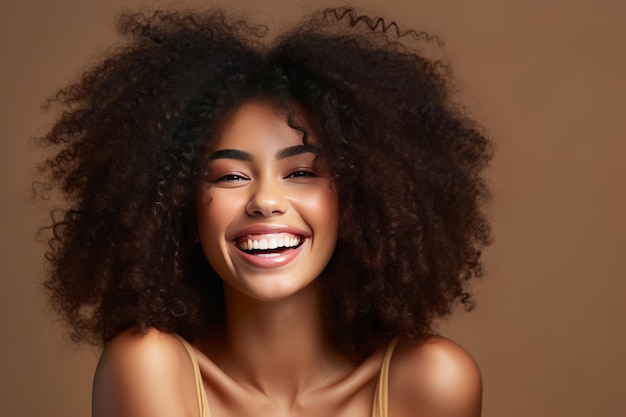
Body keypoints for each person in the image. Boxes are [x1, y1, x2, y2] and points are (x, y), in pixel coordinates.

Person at [38, 6, 492, 417]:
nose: (265, 201)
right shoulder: (146, 367)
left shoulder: (431, 381)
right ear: (180, 212)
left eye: (300, 173)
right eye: (230, 177)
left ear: (359, 201)